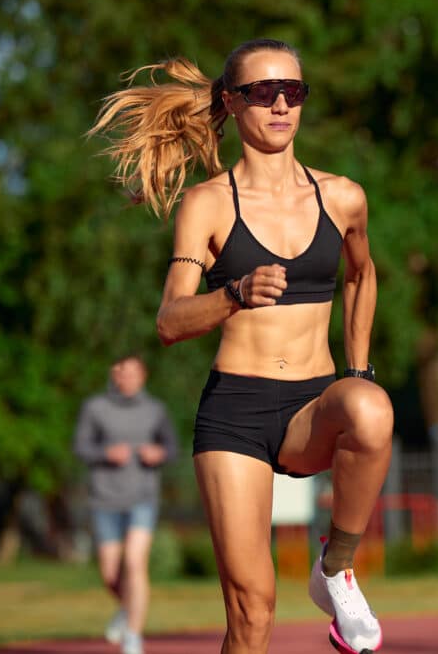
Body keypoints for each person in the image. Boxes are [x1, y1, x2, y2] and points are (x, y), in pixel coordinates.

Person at [88, 38, 394, 654]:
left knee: (371, 406)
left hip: (313, 404)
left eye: (294, 92)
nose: (280, 104)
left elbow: (361, 274)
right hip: (236, 415)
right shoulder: (207, 204)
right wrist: (234, 293)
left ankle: (335, 567)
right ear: (231, 102)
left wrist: (356, 370)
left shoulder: (343, 197)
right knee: (253, 616)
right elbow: (170, 321)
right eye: (262, 92)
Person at [74, 354, 177, 654]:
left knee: (135, 562)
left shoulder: (155, 410)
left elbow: (171, 448)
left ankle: (133, 636)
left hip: (143, 496)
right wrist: (106, 453)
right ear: (114, 375)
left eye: (133, 373)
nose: (127, 378)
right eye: (121, 372)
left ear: (142, 376)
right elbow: (81, 446)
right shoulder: (95, 408)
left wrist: (158, 453)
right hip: (104, 497)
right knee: (110, 574)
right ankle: (126, 608)